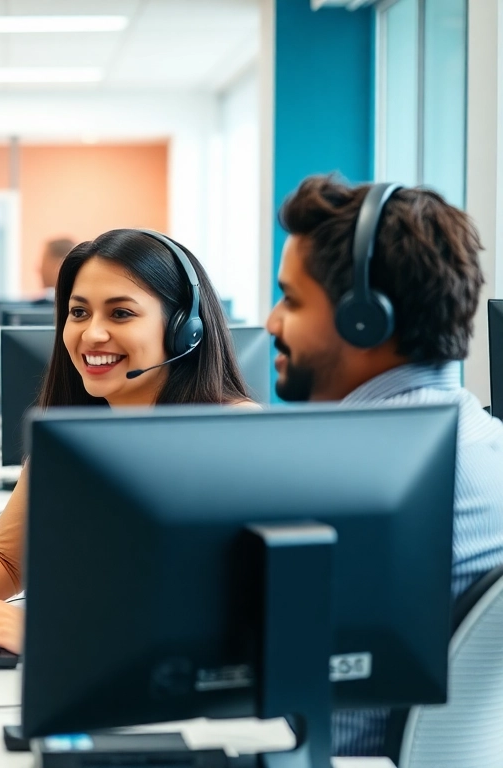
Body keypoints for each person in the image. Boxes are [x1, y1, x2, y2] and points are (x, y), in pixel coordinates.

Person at [0, 228, 252, 653]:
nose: (92, 334)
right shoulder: (70, 434)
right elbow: (5, 558)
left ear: (183, 329)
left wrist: (57, 635)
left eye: (120, 314)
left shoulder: (232, 435)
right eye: (79, 313)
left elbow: (226, 604)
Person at [267, 175, 503, 757]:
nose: (272, 322)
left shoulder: (350, 478)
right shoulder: (484, 437)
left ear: (364, 318)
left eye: (291, 300)